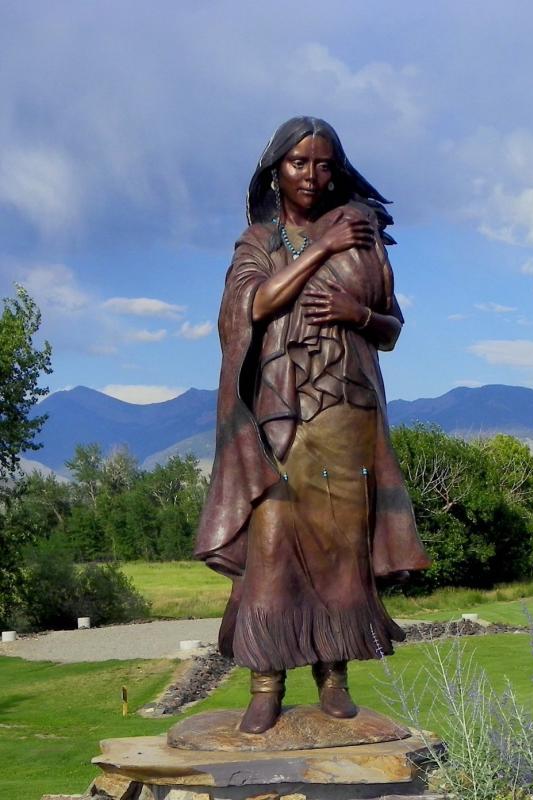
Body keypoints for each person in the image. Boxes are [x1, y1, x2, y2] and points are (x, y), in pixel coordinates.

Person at [195, 117, 430, 734]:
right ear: (277, 170)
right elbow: (249, 308)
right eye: (299, 163)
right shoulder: (260, 240)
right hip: (279, 417)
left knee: (341, 546)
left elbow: (393, 328)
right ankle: (266, 684)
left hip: (346, 408)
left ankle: (334, 675)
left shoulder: (364, 236)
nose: (312, 175)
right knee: (272, 543)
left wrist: (359, 313)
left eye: (325, 164)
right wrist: (321, 247)